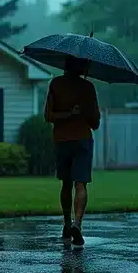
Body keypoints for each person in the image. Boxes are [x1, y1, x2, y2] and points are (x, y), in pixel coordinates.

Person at [44, 56, 101, 248]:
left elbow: (48, 116)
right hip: (82, 140)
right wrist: (79, 113)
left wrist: (67, 114)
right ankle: (78, 223)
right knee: (81, 184)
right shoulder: (88, 88)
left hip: (62, 141)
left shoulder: (56, 84)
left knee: (66, 183)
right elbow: (95, 123)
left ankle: (67, 223)